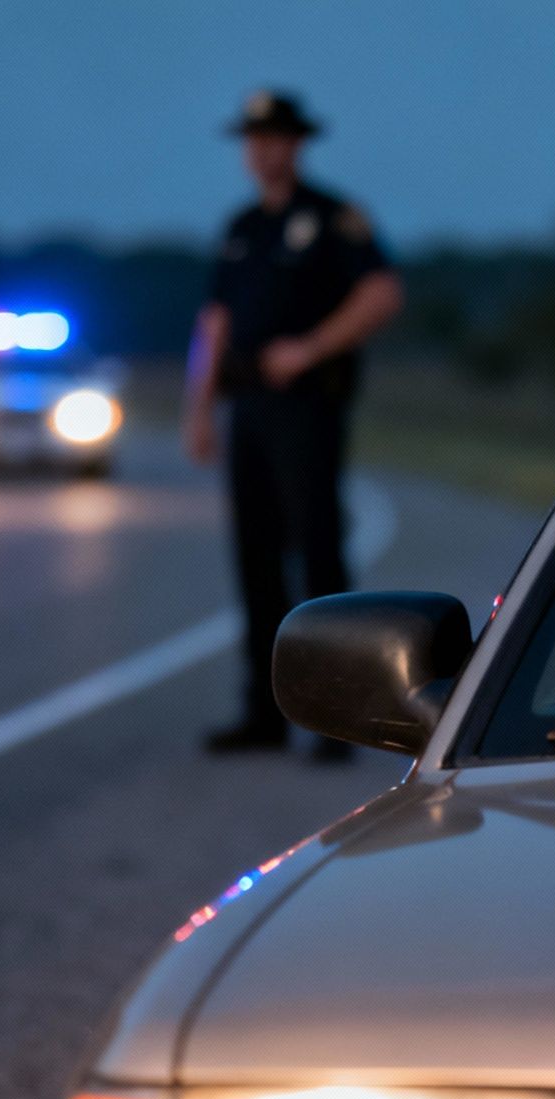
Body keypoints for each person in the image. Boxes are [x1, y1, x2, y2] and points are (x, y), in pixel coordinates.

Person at [184, 90, 404, 756]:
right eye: (253, 138)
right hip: (248, 408)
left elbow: (382, 294)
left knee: (318, 554)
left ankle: (336, 720)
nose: (262, 149)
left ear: (298, 144)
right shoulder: (242, 227)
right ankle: (265, 711)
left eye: (275, 137)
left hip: (307, 407)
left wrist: (310, 348)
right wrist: (200, 409)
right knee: (255, 558)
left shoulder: (335, 219)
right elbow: (215, 322)